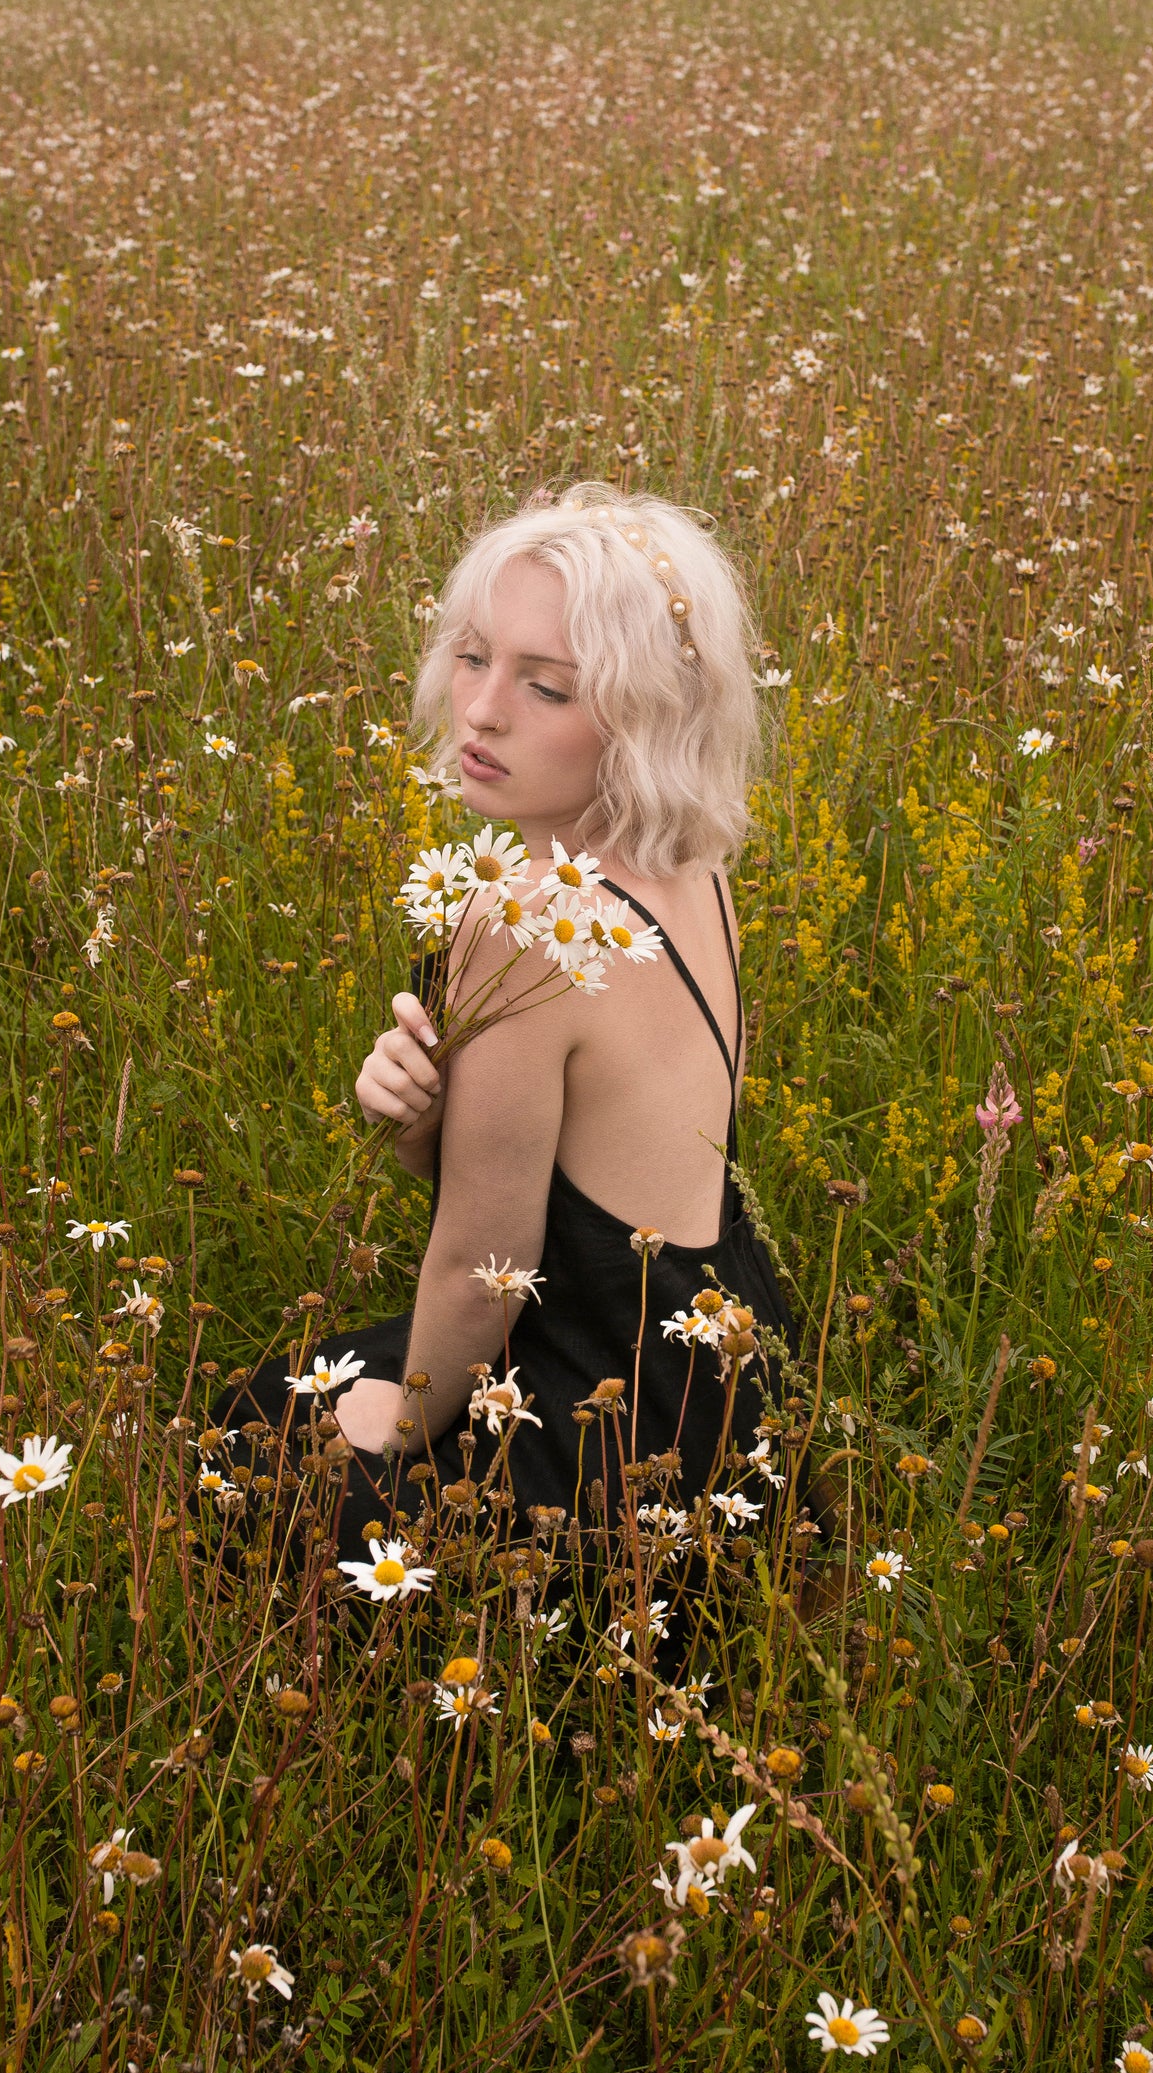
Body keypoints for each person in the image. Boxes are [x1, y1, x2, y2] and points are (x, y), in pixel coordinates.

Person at [216, 482, 827, 1593]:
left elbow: (485, 1275)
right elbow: (594, 1174)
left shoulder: (523, 917)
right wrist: (424, 1128)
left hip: (601, 1427)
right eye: (471, 657)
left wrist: (388, 1441)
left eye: (546, 687)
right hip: (720, 1381)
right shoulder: (690, 869)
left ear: (644, 718)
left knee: (257, 1446)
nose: (482, 711)